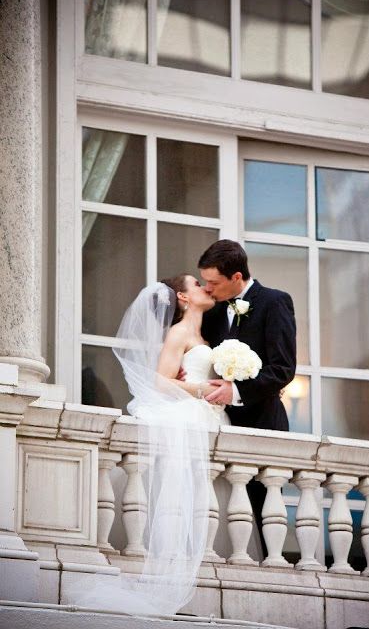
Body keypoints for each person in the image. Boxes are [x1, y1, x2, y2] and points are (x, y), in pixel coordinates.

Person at [68, 275, 228, 616]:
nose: (205, 286)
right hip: (196, 413)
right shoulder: (180, 332)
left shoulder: (201, 335)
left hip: (210, 416)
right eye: (197, 283)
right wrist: (201, 390)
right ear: (183, 298)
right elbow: (159, 380)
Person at [199, 239, 297, 556]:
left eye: (213, 282)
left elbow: (282, 369)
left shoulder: (275, 302)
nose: (207, 288)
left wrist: (236, 391)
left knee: (263, 513)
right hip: (217, 426)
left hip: (263, 424)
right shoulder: (211, 314)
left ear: (237, 277)